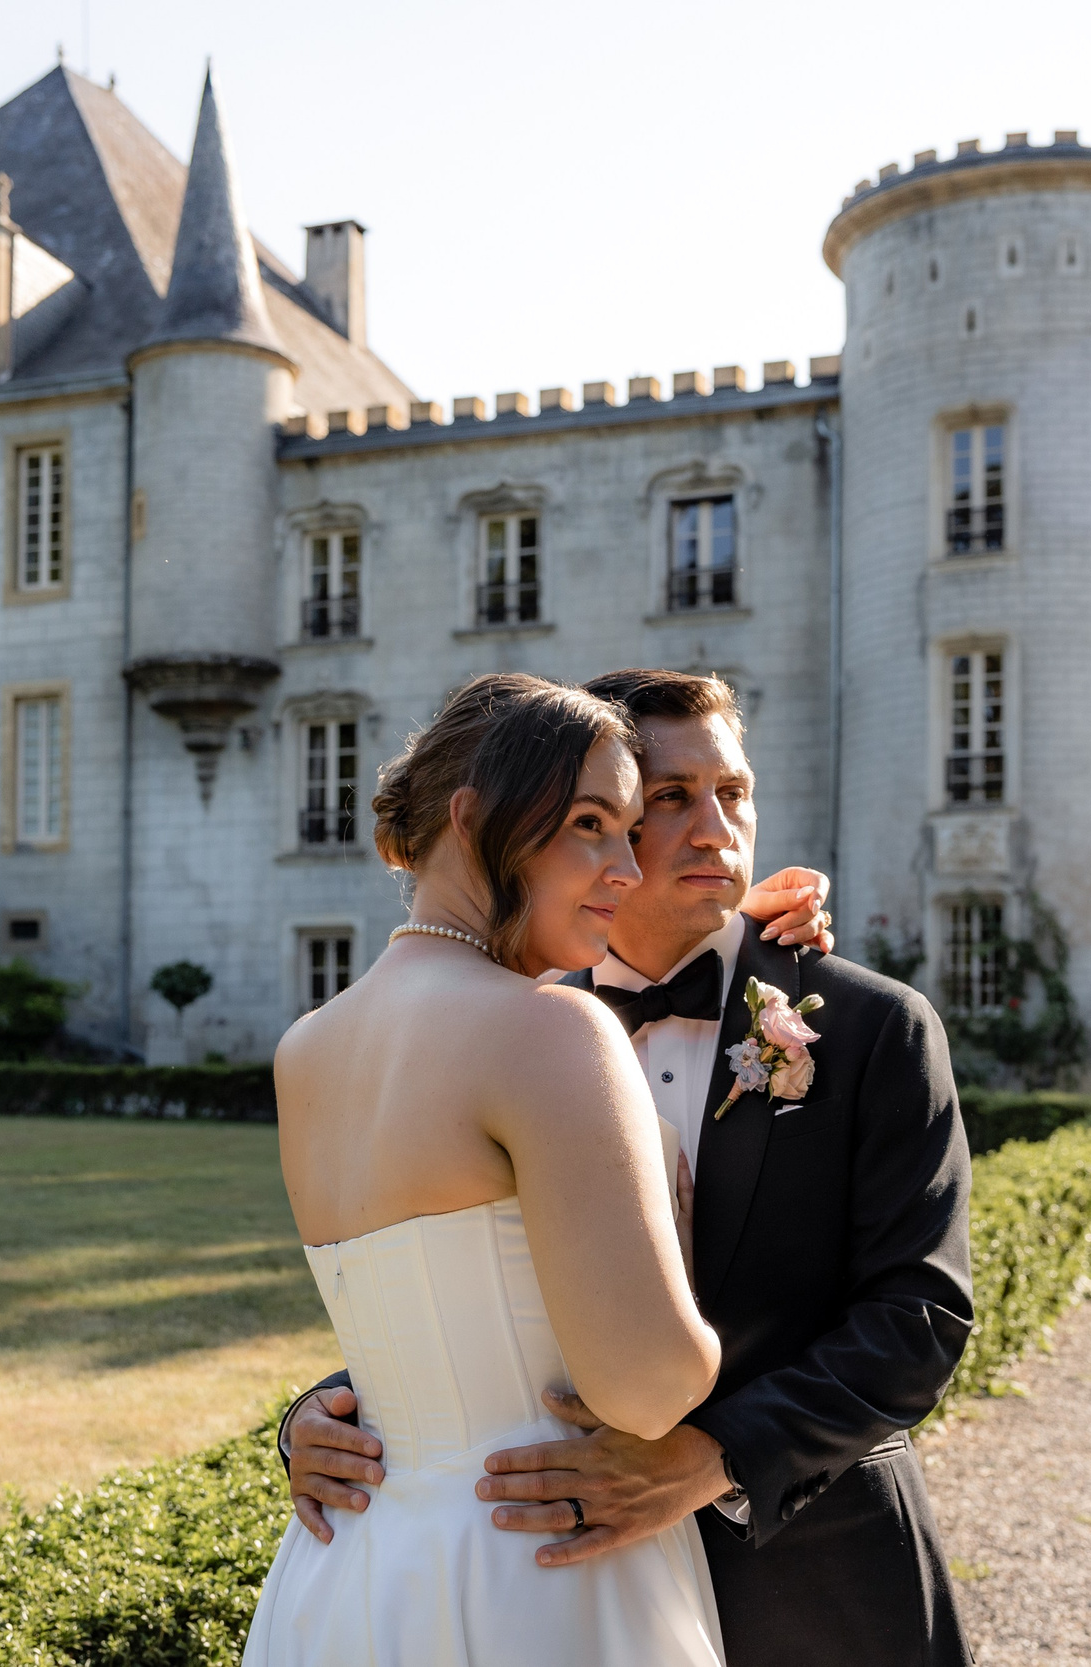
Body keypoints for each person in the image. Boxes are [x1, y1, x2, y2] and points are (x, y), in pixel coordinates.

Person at [280, 667, 977, 1666]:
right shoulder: (511, 1024)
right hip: (553, 1589)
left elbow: (920, 1314)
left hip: (815, 1578)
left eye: (731, 794)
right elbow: (474, 1287)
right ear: (555, 817)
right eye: (663, 801)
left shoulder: (868, 1026)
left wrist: (711, 1460)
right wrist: (325, 1415)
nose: (713, 830)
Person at [242, 672, 728, 1665]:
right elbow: (647, 1391)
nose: (624, 869)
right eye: (591, 824)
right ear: (471, 820)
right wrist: (666, 1201)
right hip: (536, 1572)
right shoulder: (549, 1030)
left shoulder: (307, 1048)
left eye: (626, 830)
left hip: (351, 1573)